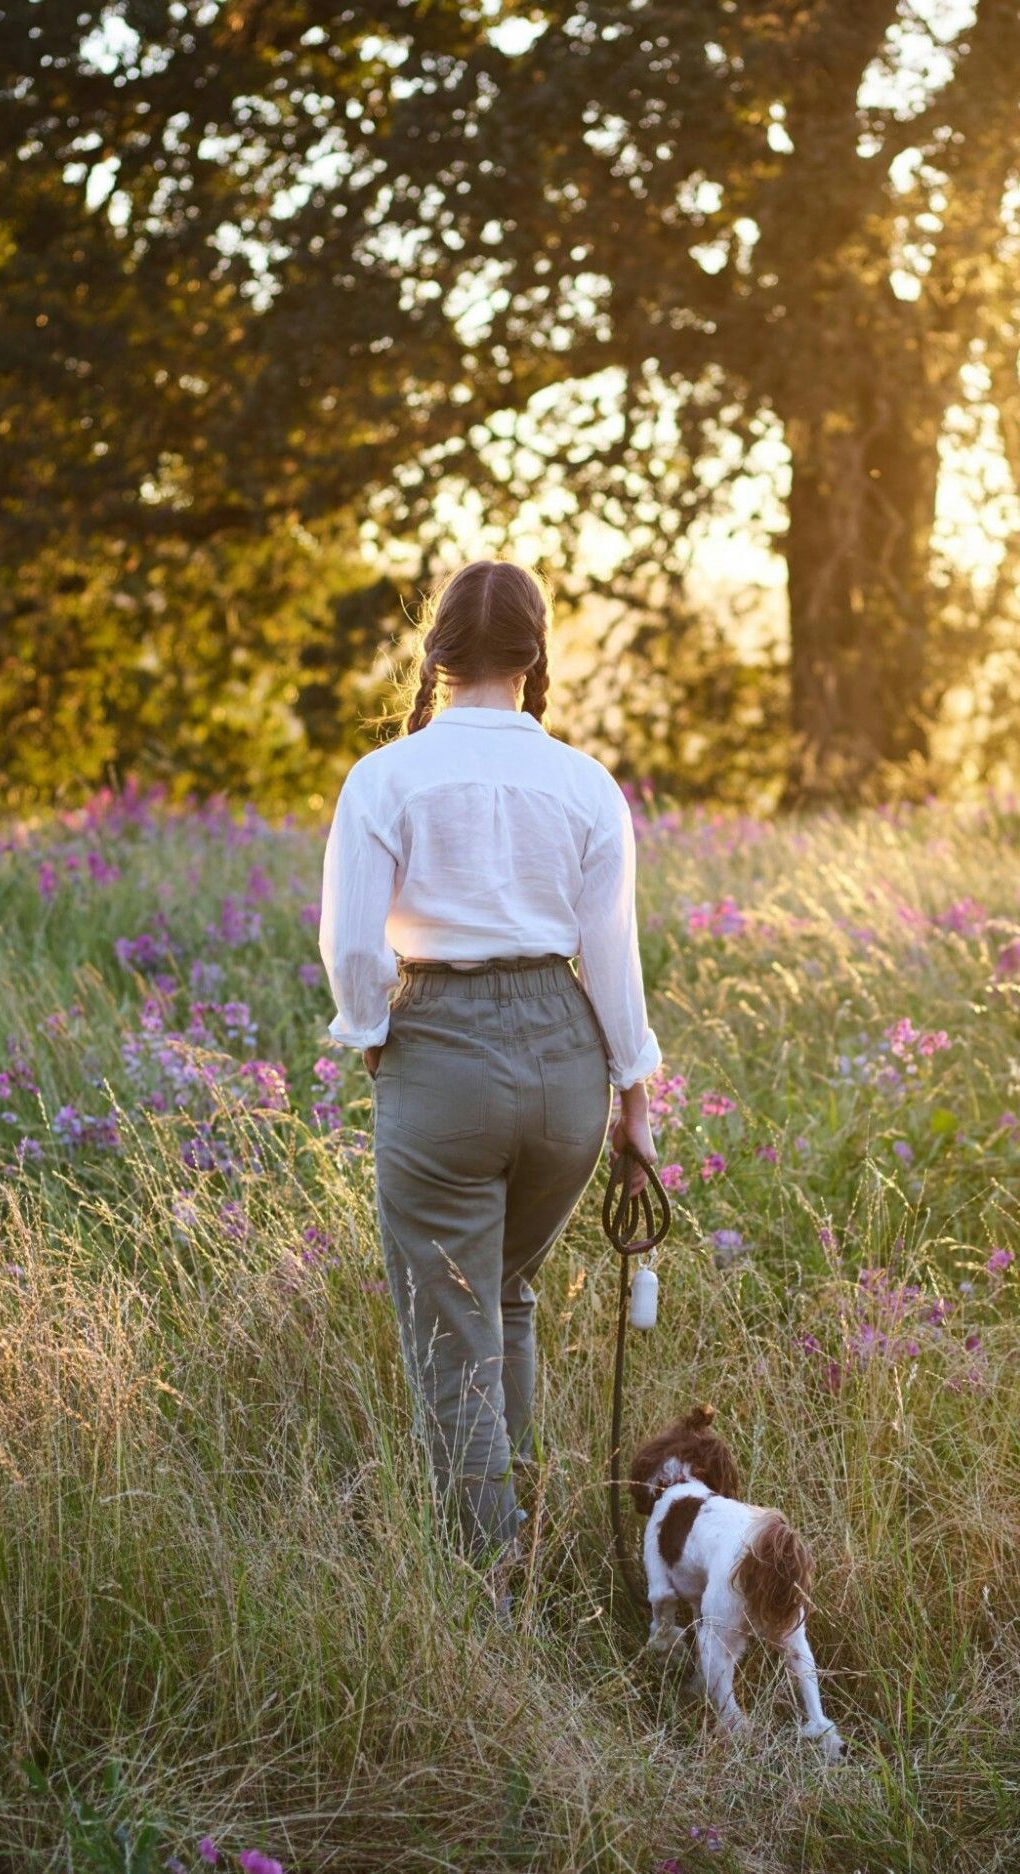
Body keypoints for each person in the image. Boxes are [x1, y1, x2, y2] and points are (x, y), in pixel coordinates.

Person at [318, 559, 662, 1576]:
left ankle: (489, 1577)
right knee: (504, 1290)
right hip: (567, 1060)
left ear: (435, 651)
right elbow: (613, 954)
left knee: (447, 1321)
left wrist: (372, 1030)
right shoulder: (584, 782)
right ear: (534, 651)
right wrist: (633, 1103)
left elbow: (350, 945)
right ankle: (521, 1524)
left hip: (442, 1055)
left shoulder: (385, 775)